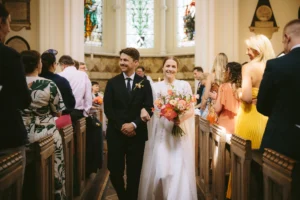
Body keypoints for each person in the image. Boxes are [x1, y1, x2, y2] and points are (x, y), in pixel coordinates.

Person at [138, 57, 197, 200]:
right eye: (167, 66)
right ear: (162, 68)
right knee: (161, 168)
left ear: (177, 69)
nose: (170, 69)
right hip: (162, 132)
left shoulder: (184, 86)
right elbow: (152, 108)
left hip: (178, 133)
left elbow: (190, 109)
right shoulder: (155, 87)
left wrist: (179, 119)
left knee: (178, 167)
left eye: (173, 66)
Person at [226, 35, 275, 199]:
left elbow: (246, 97)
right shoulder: (272, 65)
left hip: (248, 116)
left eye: (249, 49)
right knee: (262, 159)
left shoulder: (248, 68)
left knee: (243, 158)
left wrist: (239, 92)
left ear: (258, 49)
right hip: (265, 118)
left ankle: (242, 194)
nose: (247, 52)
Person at [104, 47, 153, 200]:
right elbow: (108, 109)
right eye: (121, 60)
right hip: (116, 133)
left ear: (135, 62)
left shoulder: (144, 83)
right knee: (115, 171)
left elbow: (149, 107)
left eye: (125, 60)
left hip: (137, 135)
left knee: (134, 172)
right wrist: (122, 126)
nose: (122, 63)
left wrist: (134, 124)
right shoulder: (112, 83)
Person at [20, 50, 66, 199]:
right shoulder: (48, 84)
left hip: (20, 134)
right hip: (45, 134)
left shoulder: (10, 84)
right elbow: (59, 112)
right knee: (54, 172)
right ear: (38, 65)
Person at [258, 19, 300, 161]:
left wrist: (282, 115)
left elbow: (262, 105)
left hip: (281, 141)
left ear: (287, 38)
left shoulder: (276, 65)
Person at [0, 3, 31, 184]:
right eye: (8, 23)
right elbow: (23, 100)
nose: (9, 29)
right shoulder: (9, 56)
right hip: (6, 135)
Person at [58, 55, 92, 125]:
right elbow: (88, 95)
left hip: (64, 113)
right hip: (78, 112)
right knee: (79, 135)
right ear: (72, 63)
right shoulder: (83, 75)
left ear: (63, 65)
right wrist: (86, 112)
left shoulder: (60, 75)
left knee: (66, 135)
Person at [214, 62, 241, 134]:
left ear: (228, 71)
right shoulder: (242, 87)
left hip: (225, 124)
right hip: (239, 123)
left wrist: (214, 105)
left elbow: (217, 108)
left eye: (225, 70)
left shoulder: (223, 87)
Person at [200, 53, 228, 119]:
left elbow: (206, 95)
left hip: (214, 107)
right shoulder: (228, 76)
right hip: (225, 105)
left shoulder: (211, 76)